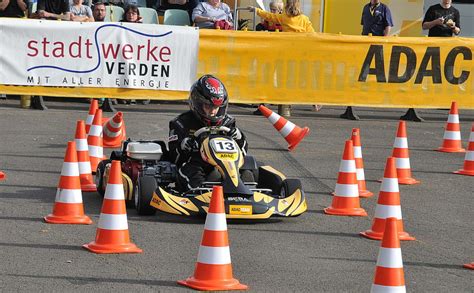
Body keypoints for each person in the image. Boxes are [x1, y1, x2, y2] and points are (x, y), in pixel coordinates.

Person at [168, 75, 248, 192]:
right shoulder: (181, 123)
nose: (213, 111)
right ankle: (201, 193)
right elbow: (173, 157)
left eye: (216, 107)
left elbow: (243, 152)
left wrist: (240, 138)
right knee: (191, 170)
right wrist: (183, 145)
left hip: (227, 165)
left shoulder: (228, 122)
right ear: (197, 103)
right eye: (208, 106)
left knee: (249, 166)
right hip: (196, 163)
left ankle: (246, 192)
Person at [341, 0, 393, 120]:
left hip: (377, 44)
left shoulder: (385, 8)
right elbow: (364, 25)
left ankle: (378, 95)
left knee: (378, 70)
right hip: (365, 43)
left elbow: (388, 26)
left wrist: (384, 40)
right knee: (363, 69)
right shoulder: (365, 8)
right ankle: (361, 95)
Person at [248, 0, 314, 33]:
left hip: (286, 44)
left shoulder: (283, 17)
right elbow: (312, 34)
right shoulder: (305, 19)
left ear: (286, 7)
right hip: (300, 45)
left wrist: (256, 10)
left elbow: (269, 16)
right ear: (299, 7)